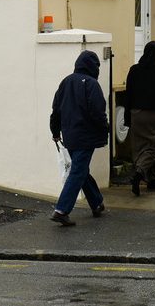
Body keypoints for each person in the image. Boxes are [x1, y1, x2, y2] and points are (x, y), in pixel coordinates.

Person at [49, 50, 109, 226]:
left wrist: (55, 131)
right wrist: (104, 129)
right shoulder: (91, 84)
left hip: (69, 135)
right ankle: (61, 210)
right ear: (93, 67)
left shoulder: (65, 82)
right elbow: (98, 112)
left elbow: (56, 110)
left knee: (80, 169)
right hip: (86, 136)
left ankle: (97, 203)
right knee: (77, 171)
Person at [124, 40, 155, 196]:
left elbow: (128, 95)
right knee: (154, 147)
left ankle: (154, 180)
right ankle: (138, 173)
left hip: (136, 114)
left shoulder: (134, 70)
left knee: (140, 147)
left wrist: (127, 117)